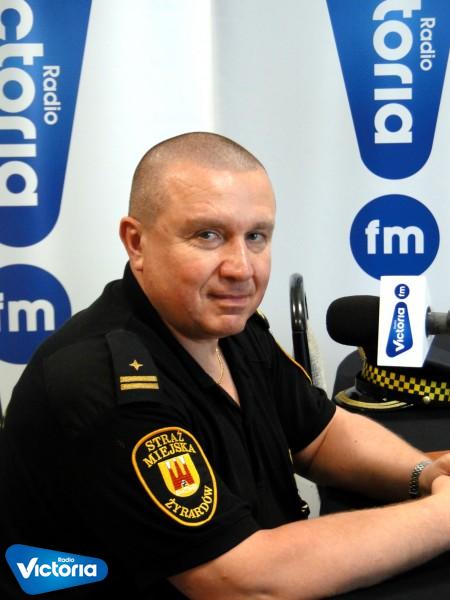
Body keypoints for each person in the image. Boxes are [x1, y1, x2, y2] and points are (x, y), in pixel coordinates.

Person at [1, 132, 450, 599]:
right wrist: (441, 516)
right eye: (208, 235)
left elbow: (319, 436)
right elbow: (243, 582)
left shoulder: (230, 326)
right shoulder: (103, 383)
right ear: (137, 242)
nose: (241, 268)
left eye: (256, 237)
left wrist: (426, 473)